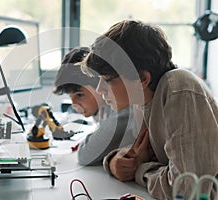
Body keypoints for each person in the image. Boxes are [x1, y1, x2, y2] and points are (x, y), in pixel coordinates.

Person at [81, 20, 218, 199]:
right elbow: (144, 155)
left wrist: (139, 171)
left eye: (107, 79)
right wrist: (114, 162)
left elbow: (187, 190)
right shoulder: (143, 100)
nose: (99, 89)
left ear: (142, 78)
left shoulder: (179, 89)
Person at [53, 47, 136, 166]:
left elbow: (85, 156)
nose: (74, 104)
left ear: (99, 85)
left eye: (80, 95)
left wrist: (89, 141)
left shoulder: (122, 112)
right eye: (71, 97)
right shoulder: (102, 110)